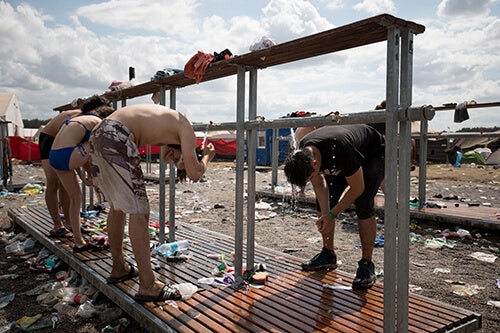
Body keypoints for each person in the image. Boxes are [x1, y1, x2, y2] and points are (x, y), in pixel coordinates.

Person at [88, 104, 216, 302]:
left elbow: (169, 157)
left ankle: (119, 267)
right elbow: (195, 173)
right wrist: (207, 156)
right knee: (140, 211)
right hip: (116, 134)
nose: (173, 160)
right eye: (177, 157)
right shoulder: (186, 127)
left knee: (118, 206)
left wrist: (183, 157)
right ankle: (148, 285)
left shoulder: (168, 125)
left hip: (99, 133)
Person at [283, 124, 385, 289]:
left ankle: (367, 264)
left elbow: (357, 188)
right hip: (339, 157)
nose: (309, 181)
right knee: (324, 201)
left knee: (363, 203)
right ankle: (328, 254)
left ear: (315, 163)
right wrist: (325, 215)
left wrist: (332, 215)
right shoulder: (304, 153)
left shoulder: (340, 149)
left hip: (372, 152)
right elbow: (319, 184)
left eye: (308, 177)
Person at [49, 96, 115, 252]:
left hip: (55, 156)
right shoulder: (97, 122)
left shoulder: (80, 119)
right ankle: (100, 177)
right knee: (99, 139)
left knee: (76, 197)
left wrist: (83, 177)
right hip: (69, 155)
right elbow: (87, 150)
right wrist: (92, 175)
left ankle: (78, 242)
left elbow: (72, 153)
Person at [40, 108, 82, 238]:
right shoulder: (78, 118)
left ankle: (70, 223)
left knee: (66, 184)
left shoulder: (85, 118)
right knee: (53, 182)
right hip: (49, 139)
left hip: (63, 139)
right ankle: (57, 226)